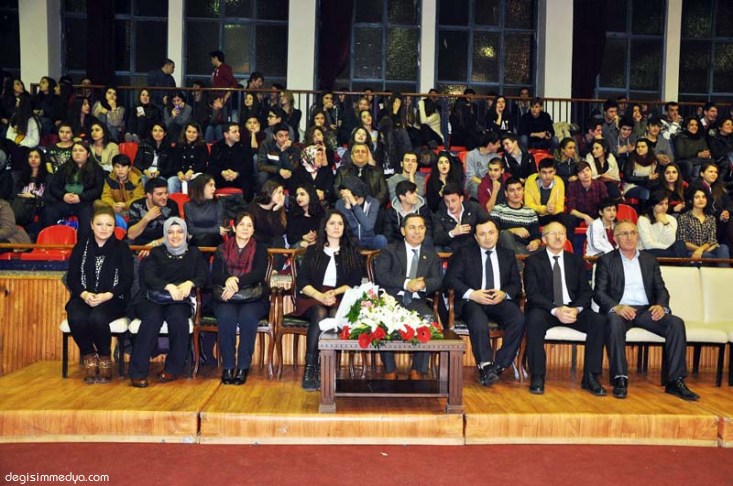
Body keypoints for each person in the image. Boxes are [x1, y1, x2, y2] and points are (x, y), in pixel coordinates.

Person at [594, 220, 700, 401]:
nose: (629, 237)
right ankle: (620, 378)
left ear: (637, 236)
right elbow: (599, 293)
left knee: (675, 323)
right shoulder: (606, 260)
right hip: (621, 310)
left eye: (633, 233)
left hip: (646, 310)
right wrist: (616, 307)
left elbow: (661, 290)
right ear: (615, 239)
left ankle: (675, 381)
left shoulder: (649, 260)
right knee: (613, 320)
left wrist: (661, 305)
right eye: (624, 234)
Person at [523, 222, 607, 396]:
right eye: (553, 233)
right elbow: (532, 293)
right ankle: (537, 376)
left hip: (572, 309)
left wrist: (576, 309)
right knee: (534, 320)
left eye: (561, 233)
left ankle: (591, 377)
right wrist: (555, 310)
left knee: (598, 321)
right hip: (546, 309)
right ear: (544, 239)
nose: (558, 237)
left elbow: (586, 291)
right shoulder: (533, 261)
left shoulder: (575, 260)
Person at [445, 215, 525, 386]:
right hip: (472, 301)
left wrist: (504, 294)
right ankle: (485, 365)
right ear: (475, 237)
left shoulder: (507, 254)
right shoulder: (464, 253)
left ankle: (499, 365)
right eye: (482, 234)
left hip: (498, 300)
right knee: (478, 319)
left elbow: (515, 284)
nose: (487, 237)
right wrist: (472, 294)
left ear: (498, 234)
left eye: (491, 232)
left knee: (518, 319)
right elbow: (451, 280)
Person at [128, 217, 209, 388]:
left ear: (186, 234)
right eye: (170, 232)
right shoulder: (156, 252)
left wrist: (190, 283)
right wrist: (168, 286)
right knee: (152, 319)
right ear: (165, 234)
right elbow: (148, 277)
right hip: (152, 298)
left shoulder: (194, 253)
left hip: (179, 299)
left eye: (179, 232)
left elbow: (203, 276)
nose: (175, 236)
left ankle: (173, 368)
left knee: (178, 319)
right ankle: (137, 373)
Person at [295, 209, 363, 391]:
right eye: (332, 223)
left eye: (340, 223)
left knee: (334, 313)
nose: (336, 227)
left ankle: (328, 368)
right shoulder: (313, 251)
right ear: (324, 227)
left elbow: (355, 283)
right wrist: (320, 296)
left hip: (340, 296)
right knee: (320, 312)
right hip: (312, 297)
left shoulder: (352, 252)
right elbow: (302, 281)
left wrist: (334, 293)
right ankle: (310, 368)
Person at [64, 206, 133, 384]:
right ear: (92, 225)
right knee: (76, 317)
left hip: (113, 298)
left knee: (97, 318)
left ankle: (104, 357)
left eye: (108, 225)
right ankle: (89, 354)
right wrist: (84, 294)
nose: (104, 228)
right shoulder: (81, 247)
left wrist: (107, 295)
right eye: (99, 224)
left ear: (114, 227)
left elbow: (127, 280)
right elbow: (72, 278)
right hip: (84, 296)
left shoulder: (122, 248)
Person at [374, 214, 442, 379]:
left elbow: (438, 280)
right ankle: (390, 370)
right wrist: (407, 283)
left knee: (428, 318)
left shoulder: (432, 255)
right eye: (412, 227)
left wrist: (423, 284)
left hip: (417, 301)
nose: (417, 231)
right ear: (403, 231)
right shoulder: (389, 250)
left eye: (421, 227)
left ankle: (417, 370)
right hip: (392, 299)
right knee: (382, 318)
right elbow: (381, 275)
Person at [211, 211, 270, 385]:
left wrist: (235, 282)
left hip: (253, 297)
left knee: (248, 317)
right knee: (225, 317)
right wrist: (227, 280)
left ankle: (243, 366)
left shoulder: (260, 249)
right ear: (234, 228)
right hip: (226, 297)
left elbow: (258, 274)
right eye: (242, 224)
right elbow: (215, 275)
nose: (245, 228)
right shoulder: (221, 248)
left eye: (249, 225)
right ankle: (228, 366)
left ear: (253, 230)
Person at [41, 141, 104, 241]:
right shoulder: (64, 167)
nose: (77, 153)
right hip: (65, 200)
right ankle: (50, 242)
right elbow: (53, 187)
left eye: (81, 150)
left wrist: (81, 197)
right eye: (75, 150)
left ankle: (82, 246)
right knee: (48, 211)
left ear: (88, 154)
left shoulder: (96, 169)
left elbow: (98, 189)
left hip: (85, 202)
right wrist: (63, 196)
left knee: (87, 218)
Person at [490, 178, 542, 255]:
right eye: (512, 190)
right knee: (505, 234)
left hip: (525, 248)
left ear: (523, 191)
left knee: (549, 249)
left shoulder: (530, 212)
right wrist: (513, 230)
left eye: (519, 189)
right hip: (505, 249)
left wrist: (536, 242)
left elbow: (536, 235)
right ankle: (516, 260)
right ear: (506, 193)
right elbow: (492, 233)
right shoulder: (498, 210)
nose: (516, 193)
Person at [677, 188, 730, 262]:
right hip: (690, 251)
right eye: (697, 197)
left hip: (708, 250)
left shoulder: (711, 218)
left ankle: (724, 269)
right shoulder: (683, 217)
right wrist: (700, 250)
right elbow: (682, 241)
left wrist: (701, 250)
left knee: (723, 247)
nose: (701, 200)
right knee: (704, 255)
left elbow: (712, 240)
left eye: (703, 197)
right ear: (691, 200)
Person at [335, 175, 387, 250]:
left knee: (381, 240)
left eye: (347, 194)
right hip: (350, 240)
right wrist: (347, 207)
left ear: (356, 193)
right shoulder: (340, 204)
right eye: (342, 194)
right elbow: (347, 227)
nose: (344, 197)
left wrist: (354, 204)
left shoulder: (373, 202)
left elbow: (368, 226)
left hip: (368, 239)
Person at [432, 182, 487, 252]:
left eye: (453, 201)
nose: (450, 205)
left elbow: (488, 222)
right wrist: (452, 233)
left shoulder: (473, 208)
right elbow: (437, 239)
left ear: (461, 199)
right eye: (447, 202)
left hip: (475, 249)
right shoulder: (439, 215)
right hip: (452, 251)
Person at [126, 177, 180, 246]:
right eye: (159, 194)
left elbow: (175, 233)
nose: (164, 197)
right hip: (139, 243)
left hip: (162, 243)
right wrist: (146, 218)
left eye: (166, 193)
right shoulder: (136, 205)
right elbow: (131, 235)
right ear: (149, 195)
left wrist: (154, 244)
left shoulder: (172, 205)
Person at [209, 122, 255, 200]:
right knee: (208, 179)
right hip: (221, 177)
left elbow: (249, 166)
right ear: (226, 134)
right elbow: (211, 166)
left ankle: (247, 205)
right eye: (234, 132)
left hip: (239, 177)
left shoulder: (245, 146)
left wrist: (236, 173)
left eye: (238, 131)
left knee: (248, 180)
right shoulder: (216, 147)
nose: (238, 134)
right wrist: (222, 172)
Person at [333, 141, 388, 205]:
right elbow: (336, 189)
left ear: (368, 155)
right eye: (357, 151)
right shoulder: (342, 171)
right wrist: (349, 200)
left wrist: (371, 204)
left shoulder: (377, 171)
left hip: (371, 207)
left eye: (363, 152)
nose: (360, 154)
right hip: (347, 205)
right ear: (352, 155)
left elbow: (384, 192)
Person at [637, 190, 687, 258]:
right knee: (677, 252)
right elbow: (648, 245)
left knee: (680, 243)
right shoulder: (643, 219)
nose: (664, 207)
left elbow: (670, 241)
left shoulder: (671, 219)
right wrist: (669, 248)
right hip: (647, 251)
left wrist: (666, 223)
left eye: (666, 204)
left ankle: (678, 260)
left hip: (666, 251)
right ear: (653, 205)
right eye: (660, 204)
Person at [523, 158, 568, 228]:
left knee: (567, 219)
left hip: (552, 215)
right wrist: (544, 209)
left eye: (550, 172)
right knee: (528, 216)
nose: (548, 176)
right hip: (535, 215)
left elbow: (560, 207)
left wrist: (554, 208)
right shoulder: (530, 180)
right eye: (544, 172)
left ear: (555, 171)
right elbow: (528, 205)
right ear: (539, 172)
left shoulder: (559, 182)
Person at [565, 160, 609, 232]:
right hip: (579, 216)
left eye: (587, 170)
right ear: (577, 175)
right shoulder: (572, 186)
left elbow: (606, 204)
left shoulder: (600, 185)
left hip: (597, 215)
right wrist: (585, 217)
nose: (586, 174)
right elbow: (571, 209)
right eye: (581, 172)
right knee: (569, 219)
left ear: (591, 171)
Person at [184, 174, 226, 247]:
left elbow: (220, 226)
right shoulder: (188, 206)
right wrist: (215, 230)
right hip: (197, 241)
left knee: (208, 239)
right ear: (201, 187)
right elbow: (191, 229)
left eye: (214, 185)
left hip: (215, 240)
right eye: (211, 185)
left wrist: (200, 231)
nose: (214, 189)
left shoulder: (218, 203)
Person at [166, 122, 207, 194]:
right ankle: (173, 200)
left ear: (198, 134)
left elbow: (202, 163)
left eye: (194, 132)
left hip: (195, 176)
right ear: (185, 132)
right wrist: (179, 172)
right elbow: (175, 162)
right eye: (189, 131)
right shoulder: (178, 145)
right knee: (171, 181)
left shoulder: (202, 146)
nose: (191, 134)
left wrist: (192, 171)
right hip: (180, 176)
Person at [98, 154, 144, 219]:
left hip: (130, 208)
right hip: (114, 208)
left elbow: (139, 197)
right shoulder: (109, 179)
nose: (120, 169)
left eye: (123, 166)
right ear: (113, 168)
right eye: (117, 167)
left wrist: (125, 205)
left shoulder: (136, 180)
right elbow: (106, 196)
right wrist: (113, 204)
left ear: (129, 168)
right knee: (97, 203)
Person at [12, 148, 49, 227]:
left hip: (37, 206)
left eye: (36, 157)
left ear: (42, 159)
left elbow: (48, 198)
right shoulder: (19, 176)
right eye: (30, 157)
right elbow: (14, 194)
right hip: (20, 204)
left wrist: (33, 196)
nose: (33, 159)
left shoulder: (49, 177)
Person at [257, 122, 301, 188]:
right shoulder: (266, 145)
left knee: (295, 177)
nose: (284, 139)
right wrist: (279, 170)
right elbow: (261, 166)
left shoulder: (295, 148)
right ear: (274, 137)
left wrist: (283, 151)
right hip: (272, 174)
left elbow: (292, 168)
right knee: (262, 175)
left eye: (286, 135)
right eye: (280, 136)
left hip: (288, 175)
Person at [623, 138, 659, 207]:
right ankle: (643, 212)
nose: (640, 149)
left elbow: (656, 177)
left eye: (643, 147)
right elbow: (628, 177)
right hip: (632, 186)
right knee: (645, 192)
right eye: (638, 147)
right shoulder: (631, 159)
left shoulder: (654, 161)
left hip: (649, 185)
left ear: (648, 148)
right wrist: (647, 178)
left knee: (659, 191)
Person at [286, 183, 325, 248]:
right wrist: (303, 237)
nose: (298, 198)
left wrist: (315, 236)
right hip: (299, 245)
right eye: (297, 195)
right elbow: (290, 238)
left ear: (310, 195)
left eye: (302, 194)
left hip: (317, 244)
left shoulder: (321, 212)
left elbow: (324, 234)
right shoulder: (293, 213)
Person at [465, 131, 501, 200]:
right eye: (498, 143)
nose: (500, 146)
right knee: (475, 186)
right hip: (475, 183)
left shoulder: (497, 157)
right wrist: (485, 185)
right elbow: (471, 177)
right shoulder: (472, 155)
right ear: (490, 144)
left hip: (491, 184)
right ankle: (475, 205)